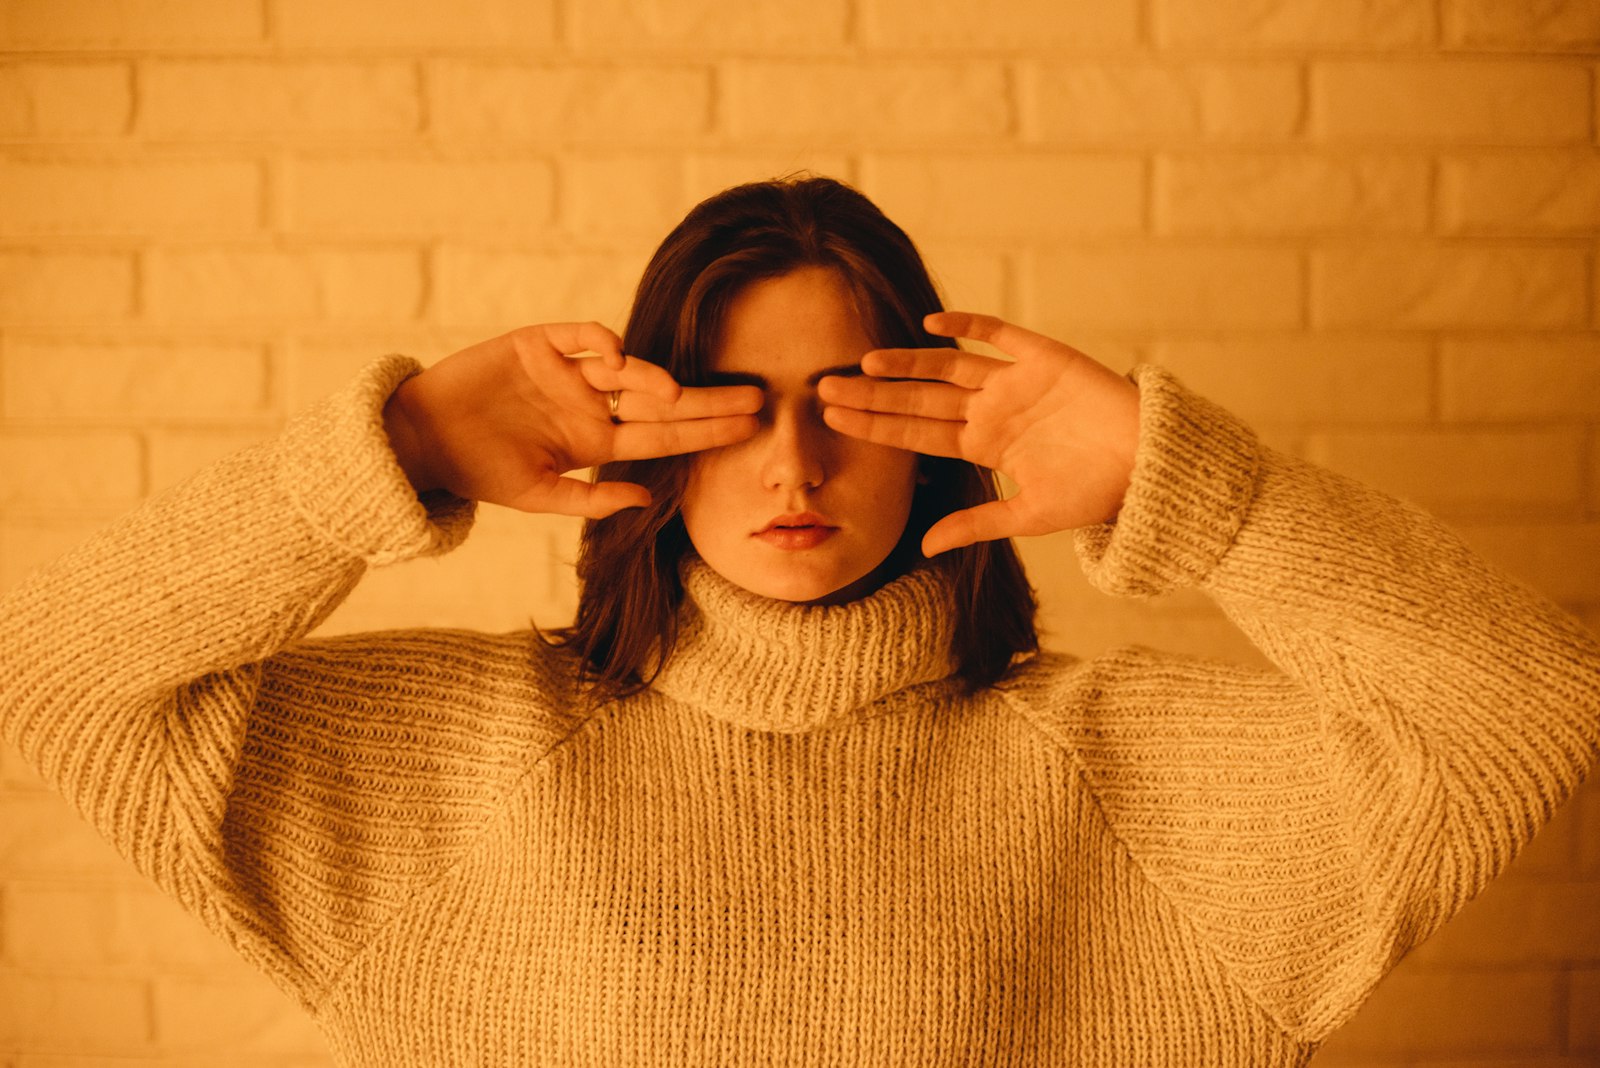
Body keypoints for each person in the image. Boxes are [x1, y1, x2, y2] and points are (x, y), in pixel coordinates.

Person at [0, 175, 1596, 1067]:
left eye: (848, 402)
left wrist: (1190, 487)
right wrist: (397, 448)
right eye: (733, 407)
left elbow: (1529, 704)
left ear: (939, 422)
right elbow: (55, 677)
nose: (793, 461)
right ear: (648, 427)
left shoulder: (1139, 781)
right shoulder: (461, 763)